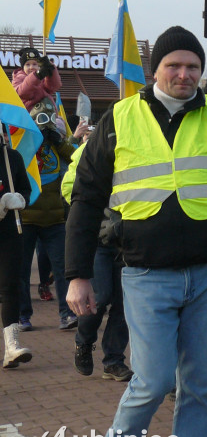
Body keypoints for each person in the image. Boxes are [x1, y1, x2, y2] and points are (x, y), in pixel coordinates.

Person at [65, 25, 207, 437]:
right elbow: (86, 196)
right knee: (154, 381)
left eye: (193, 67)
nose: (183, 74)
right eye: (173, 66)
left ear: (203, 72)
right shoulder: (120, 117)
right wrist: (77, 275)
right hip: (146, 274)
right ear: (155, 70)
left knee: (199, 387)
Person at [63, 143, 132, 383]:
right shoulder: (91, 147)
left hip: (128, 237)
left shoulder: (142, 143)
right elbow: (69, 187)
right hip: (99, 239)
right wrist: (100, 213)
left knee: (125, 304)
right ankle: (84, 342)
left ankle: (113, 361)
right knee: (100, 296)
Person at [19, 97, 86, 331]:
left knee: (62, 268)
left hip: (55, 219)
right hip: (26, 218)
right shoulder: (24, 142)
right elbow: (17, 163)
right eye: (40, 116)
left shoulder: (57, 143)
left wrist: (59, 141)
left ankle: (67, 314)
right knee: (21, 271)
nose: (45, 121)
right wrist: (33, 138)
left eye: (49, 117)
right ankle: (22, 316)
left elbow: (77, 158)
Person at [1, 126, 31, 368]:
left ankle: (11, 346)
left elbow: (26, 190)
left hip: (10, 233)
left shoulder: (12, 158)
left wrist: (18, 199)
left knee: (10, 286)